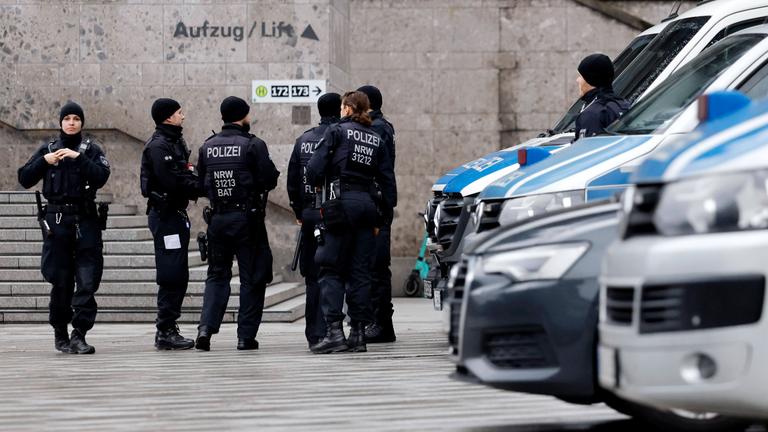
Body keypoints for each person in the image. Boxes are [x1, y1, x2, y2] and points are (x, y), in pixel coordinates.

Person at [306, 91, 396, 354]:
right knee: (361, 272)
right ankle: (358, 333)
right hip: (368, 208)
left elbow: (313, 169)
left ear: (346, 108)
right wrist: (383, 216)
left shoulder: (336, 131)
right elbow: (388, 182)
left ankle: (334, 332)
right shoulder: (376, 137)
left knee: (331, 268)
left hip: (339, 205)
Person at [17, 101, 111, 354]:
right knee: (60, 279)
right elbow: (24, 178)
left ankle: (79, 333)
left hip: (85, 219)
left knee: (87, 279)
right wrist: (44, 162)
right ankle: (60, 333)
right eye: (67, 118)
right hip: (57, 220)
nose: (71, 122)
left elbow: (101, 177)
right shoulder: (48, 149)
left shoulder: (91, 150)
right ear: (60, 123)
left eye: (76, 119)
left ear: (82, 123)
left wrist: (78, 159)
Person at [195, 96, 280, 351]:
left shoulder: (207, 146)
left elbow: (200, 185)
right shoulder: (253, 145)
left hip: (218, 219)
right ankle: (245, 337)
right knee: (251, 278)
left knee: (216, 276)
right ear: (243, 116)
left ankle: (205, 331)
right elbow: (269, 178)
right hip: (247, 220)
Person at [140, 98, 199, 350]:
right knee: (171, 272)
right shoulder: (159, 146)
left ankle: (168, 326)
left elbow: (183, 173)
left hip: (175, 214)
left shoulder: (174, 141)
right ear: (167, 117)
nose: (183, 116)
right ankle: (165, 330)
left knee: (178, 272)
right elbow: (173, 180)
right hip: (165, 217)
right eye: (179, 112)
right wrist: (202, 185)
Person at [287, 92, 341, 349]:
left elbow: (292, 180)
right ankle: (334, 330)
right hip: (334, 215)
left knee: (312, 278)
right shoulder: (342, 136)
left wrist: (299, 212)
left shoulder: (303, 139)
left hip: (309, 215)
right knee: (335, 275)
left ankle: (314, 333)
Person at [357, 85, 397, 343]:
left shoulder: (377, 128)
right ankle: (379, 322)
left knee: (376, 266)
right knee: (374, 266)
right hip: (377, 202)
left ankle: (380, 323)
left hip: (377, 204)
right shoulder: (383, 126)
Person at [574, 53, 630, 141]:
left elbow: (587, 150)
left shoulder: (592, 114)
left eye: (581, 76)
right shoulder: (624, 104)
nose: (577, 80)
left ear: (590, 79)